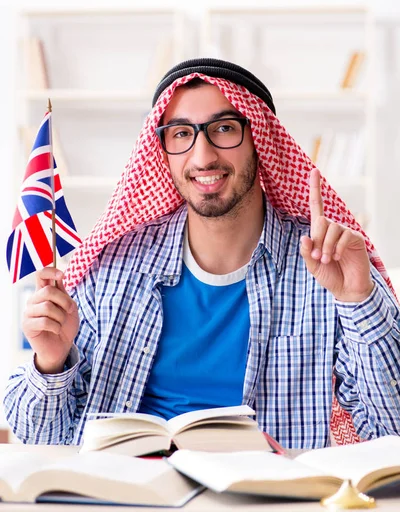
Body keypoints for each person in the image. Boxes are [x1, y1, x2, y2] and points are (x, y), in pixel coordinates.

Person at [4, 59, 400, 449]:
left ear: (260, 139)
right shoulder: (113, 268)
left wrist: (357, 300)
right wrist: (50, 363)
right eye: (180, 134)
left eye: (224, 129)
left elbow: (390, 431)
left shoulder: (327, 270)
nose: (203, 156)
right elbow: (41, 439)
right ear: (163, 150)